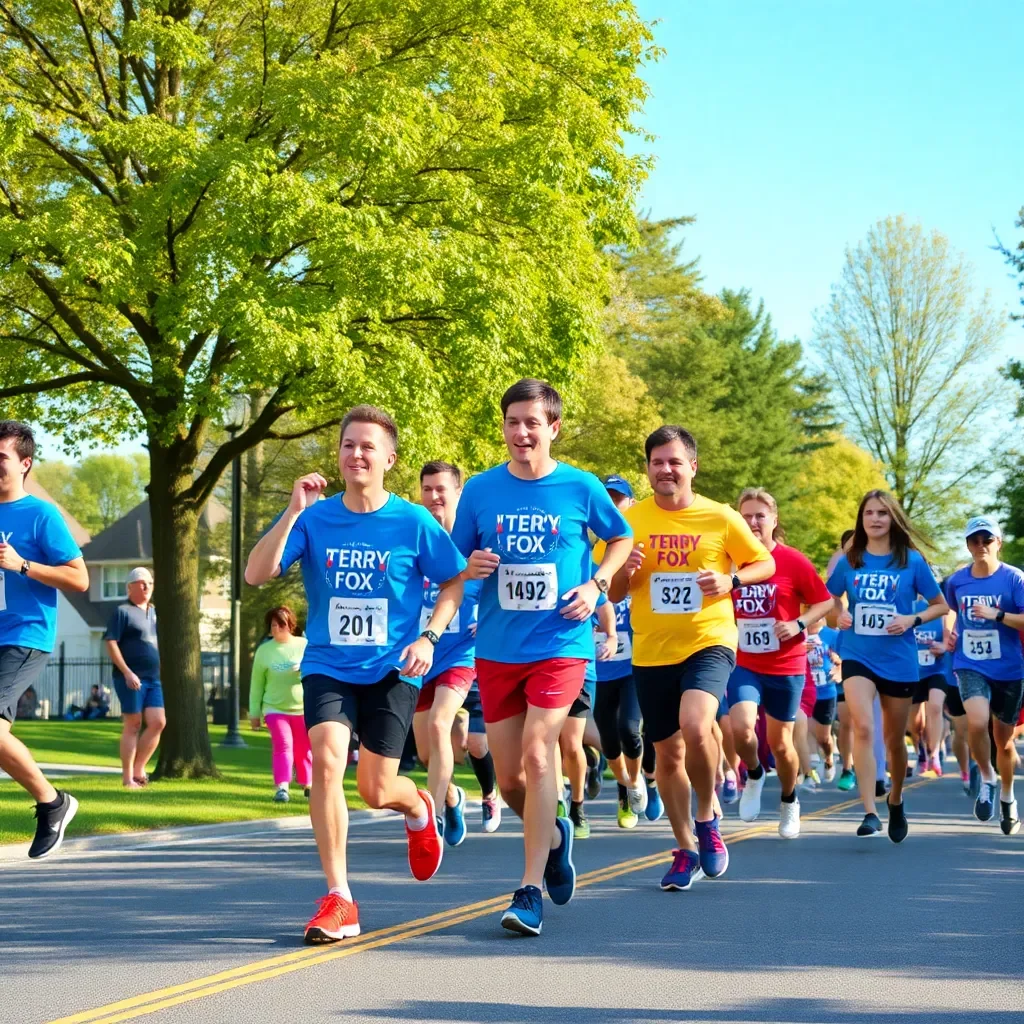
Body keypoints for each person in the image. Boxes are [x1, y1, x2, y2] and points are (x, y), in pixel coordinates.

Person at [245, 405, 466, 944]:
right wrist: (293, 512)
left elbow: (455, 583)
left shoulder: (412, 522)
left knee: (374, 789)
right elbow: (256, 574)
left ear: (389, 458)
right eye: (348, 445)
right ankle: (339, 896)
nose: (357, 454)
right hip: (328, 665)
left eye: (368, 446)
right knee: (324, 760)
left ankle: (416, 806)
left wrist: (429, 636)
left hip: (393, 669)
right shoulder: (315, 520)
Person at [452, 378, 632, 936]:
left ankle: (528, 890)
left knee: (538, 751)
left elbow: (621, 538)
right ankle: (555, 837)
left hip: (561, 645)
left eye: (533, 423)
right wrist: (472, 566)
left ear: (553, 428)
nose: (521, 432)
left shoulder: (579, 488)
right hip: (499, 650)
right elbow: (456, 562)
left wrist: (597, 583)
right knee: (509, 781)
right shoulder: (480, 492)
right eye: (512, 422)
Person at [610, 426, 774, 890]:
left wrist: (732, 582)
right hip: (651, 649)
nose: (666, 469)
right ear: (648, 468)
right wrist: (626, 571)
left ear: (692, 467)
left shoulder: (720, 517)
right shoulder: (629, 522)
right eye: (657, 461)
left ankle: (707, 816)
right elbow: (614, 590)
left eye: (675, 461)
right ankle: (684, 847)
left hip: (710, 640)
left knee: (698, 723)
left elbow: (765, 562)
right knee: (666, 754)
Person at [826, 490, 948, 842]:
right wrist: (840, 615)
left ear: (893, 518)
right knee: (863, 727)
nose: (875, 519)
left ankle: (895, 798)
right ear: (860, 519)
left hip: (898, 660)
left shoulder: (910, 561)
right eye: (868, 513)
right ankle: (869, 810)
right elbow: (828, 599)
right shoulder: (851, 560)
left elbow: (940, 605)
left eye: (882, 513)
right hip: (857, 655)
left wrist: (912, 619)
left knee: (895, 740)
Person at [0, 420, 88, 858]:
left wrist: (21, 565)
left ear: (24, 463)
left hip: (24, 633)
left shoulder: (41, 515)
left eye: (0, 459)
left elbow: (80, 578)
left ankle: (53, 802)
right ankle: (52, 802)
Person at [728, 489, 834, 839]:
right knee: (741, 729)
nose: (754, 522)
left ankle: (789, 800)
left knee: (782, 744)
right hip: (744, 662)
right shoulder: (730, 561)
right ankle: (754, 773)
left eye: (760, 516)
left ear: (774, 520)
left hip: (786, 665)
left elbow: (825, 602)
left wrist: (798, 624)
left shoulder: (793, 561)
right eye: (746, 516)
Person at [410, 461, 482, 847]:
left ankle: (432, 822)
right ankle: (453, 796)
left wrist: (488, 620)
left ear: (458, 492)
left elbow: (505, 586)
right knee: (424, 752)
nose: (434, 497)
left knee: (440, 723)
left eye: (441, 489)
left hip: (459, 653)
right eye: (427, 489)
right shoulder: (416, 536)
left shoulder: (474, 542)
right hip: (420, 656)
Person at [943, 516, 1024, 835]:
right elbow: (948, 607)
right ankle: (987, 779)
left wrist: (998, 615)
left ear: (998, 543)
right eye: (974, 540)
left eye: (987, 540)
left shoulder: (1014, 579)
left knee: (1003, 742)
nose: (980, 545)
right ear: (967, 545)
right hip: (969, 663)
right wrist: (949, 632)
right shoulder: (957, 581)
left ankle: (1007, 796)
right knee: (977, 722)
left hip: (1008, 669)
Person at [103, 566, 165, 788]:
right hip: (130, 677)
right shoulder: (122, 612)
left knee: (158, 722)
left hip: (154, 678)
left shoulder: (155, 612)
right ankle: (128, 777)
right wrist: (127, 672)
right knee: (133, 723)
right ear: (130, 587)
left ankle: (139, 769)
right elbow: (110, 642)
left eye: (149, 582)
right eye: (141, 582)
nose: (146, 586)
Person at [249, 606, 310, 802]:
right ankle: (282, 787)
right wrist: (255, 713)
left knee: (303, 748)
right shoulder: (264, 651)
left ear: (290, 625)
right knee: (283, 745)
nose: (276, 629)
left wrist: (304, 668)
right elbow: (257, 684)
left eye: (280, 625)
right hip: (274, 708)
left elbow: (318, 668)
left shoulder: (304, 645)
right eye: (273, 625)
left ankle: (308, 783)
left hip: (302, 707)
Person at [911, 596, 953, 777]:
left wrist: (943, 646)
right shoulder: (905, 602)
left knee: (935, 707)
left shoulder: (942, 605)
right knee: (913, 723)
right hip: (912, 670)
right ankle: (920, 746)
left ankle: (934, 752)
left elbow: (949, 636)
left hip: (938, 668)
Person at [451, 682, 501, 832]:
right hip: (443, 675)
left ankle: (489, 795)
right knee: (435, 746)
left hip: (479, 685)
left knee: (476, 743)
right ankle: (451, 799)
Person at [806, 620, 839, 782]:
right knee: (806, 729)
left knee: (824, 738)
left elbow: (846, 657)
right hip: (804, 691)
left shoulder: (832, 635)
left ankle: (828, 758)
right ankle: (810, 768)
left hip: (826, 692)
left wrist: (839, 665)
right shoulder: (797, 632)